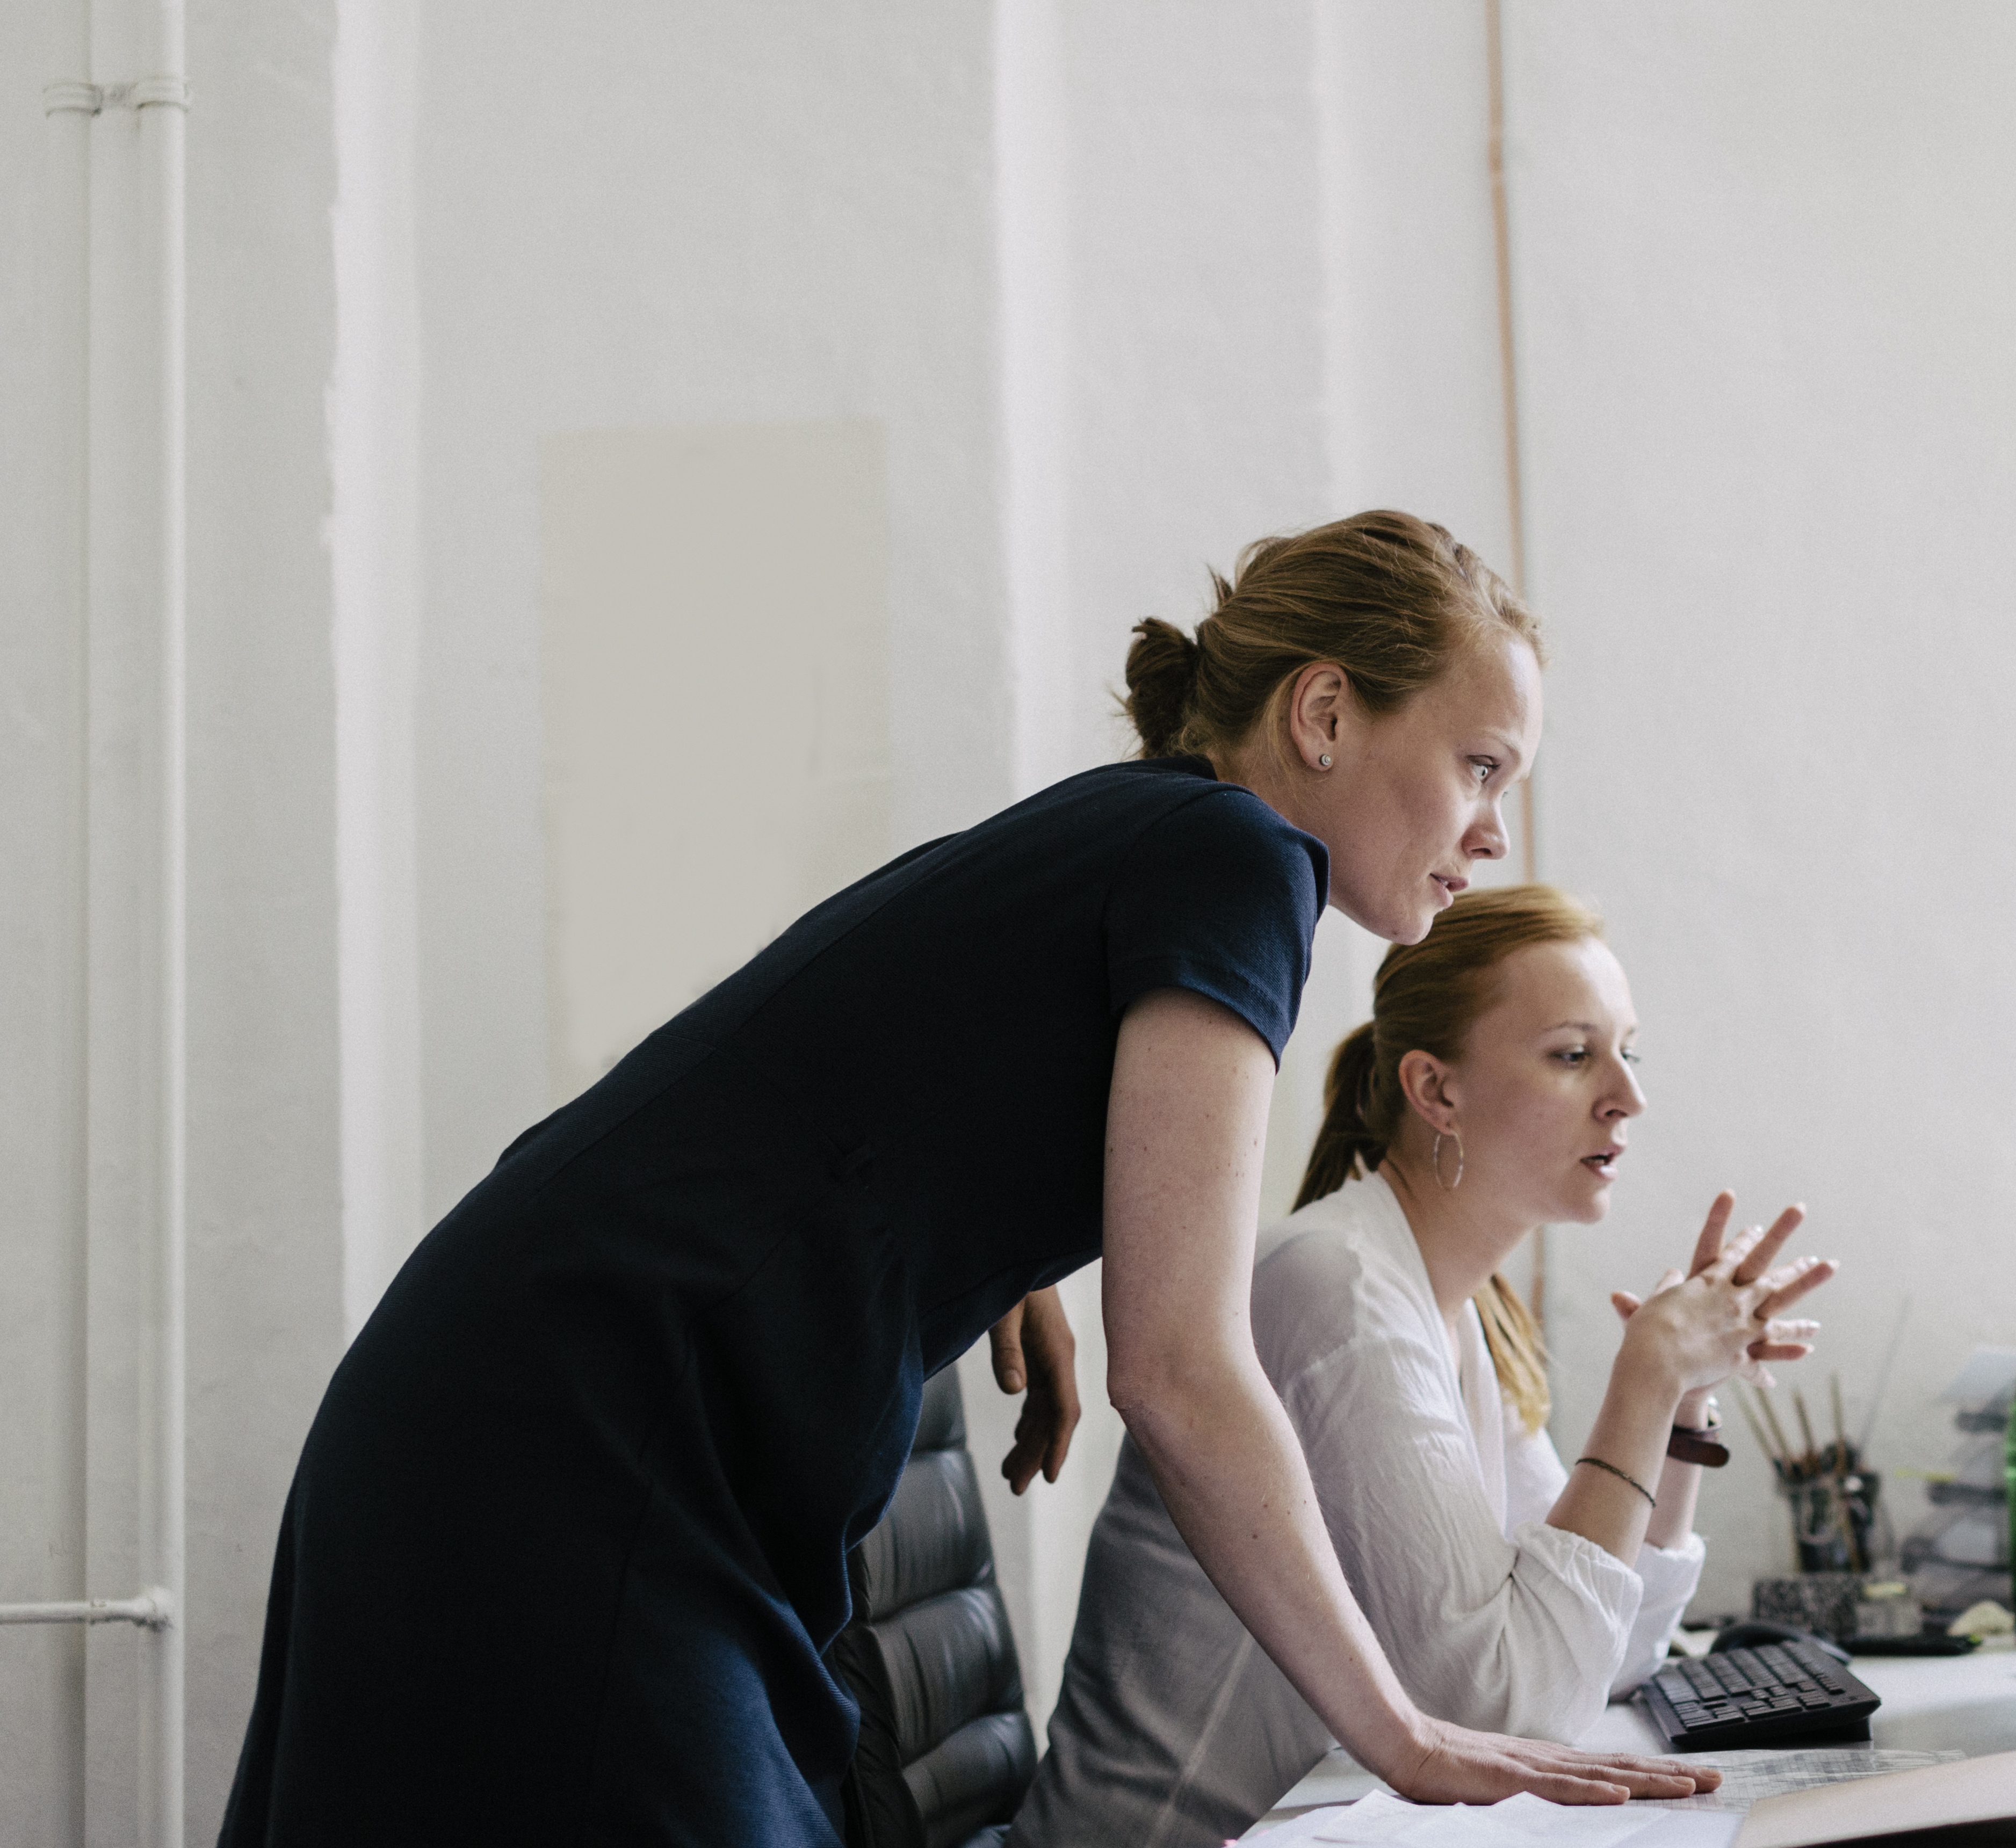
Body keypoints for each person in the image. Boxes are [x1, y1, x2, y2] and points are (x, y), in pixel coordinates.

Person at [217, 512, 1722, 1846]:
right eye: (1478, 765)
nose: (1492, 829)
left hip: (547, 1383)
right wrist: (1406, 1734)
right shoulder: (1241, 860)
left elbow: (877, 1056)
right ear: (1326, 713)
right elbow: (1188, 1375)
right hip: (588, 1427)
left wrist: (1015, 1257)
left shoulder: (1153, 832)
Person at [1014, 885, 1834, 1848]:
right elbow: (1511, 1710)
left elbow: (1601, 1656)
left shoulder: (1453, 1300)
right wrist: (1643, 1377)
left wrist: (1683, 1407)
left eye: (1628, 1049)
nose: (1628, 1095)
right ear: (1435, 1090)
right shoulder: (1341, 1293)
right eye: (1574, 1055)